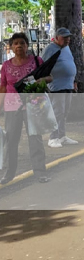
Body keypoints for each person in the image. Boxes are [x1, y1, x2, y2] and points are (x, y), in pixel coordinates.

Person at [0, 33, 50, 184]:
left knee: (35, 138)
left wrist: (41, 79)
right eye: (15, 43)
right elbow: (2, 88)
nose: (19, 46)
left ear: (27, 45)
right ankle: (8, 173)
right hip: (12, 106)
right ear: (11, 47)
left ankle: (40, 172)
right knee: (11, 140)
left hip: (32, 104)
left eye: (22, 43)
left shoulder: (36, 61)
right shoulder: (7, 66)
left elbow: (50, 77)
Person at [42, 27, 78, 148]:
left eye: (68, 37)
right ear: (57, 38)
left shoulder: (66, 48)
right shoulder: (50, 49)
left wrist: (74, 80)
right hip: (57, 86)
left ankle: (62, 136)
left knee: (64, 112)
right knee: (57, 112)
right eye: (64, 38)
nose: (68, 40)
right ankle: (53, 137)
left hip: (68, 84)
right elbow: (43, 66)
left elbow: (71, 63)